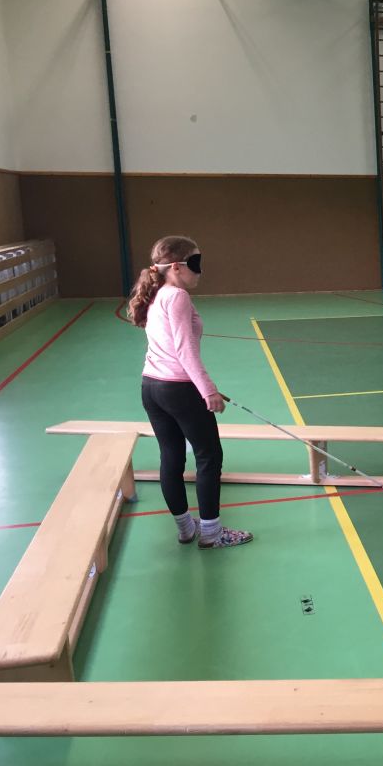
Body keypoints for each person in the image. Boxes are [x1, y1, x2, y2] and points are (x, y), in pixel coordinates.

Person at [127, 236, 252, 550]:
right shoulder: (177, 296)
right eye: (195, 263)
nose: (200, 271)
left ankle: (186, 529)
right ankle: (211, 533)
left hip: (152, 387)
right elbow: (184, 350)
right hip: (179, 389)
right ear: (176, 267)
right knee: (209, 456)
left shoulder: (156, 293)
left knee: (171, 456)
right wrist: (207, 390)